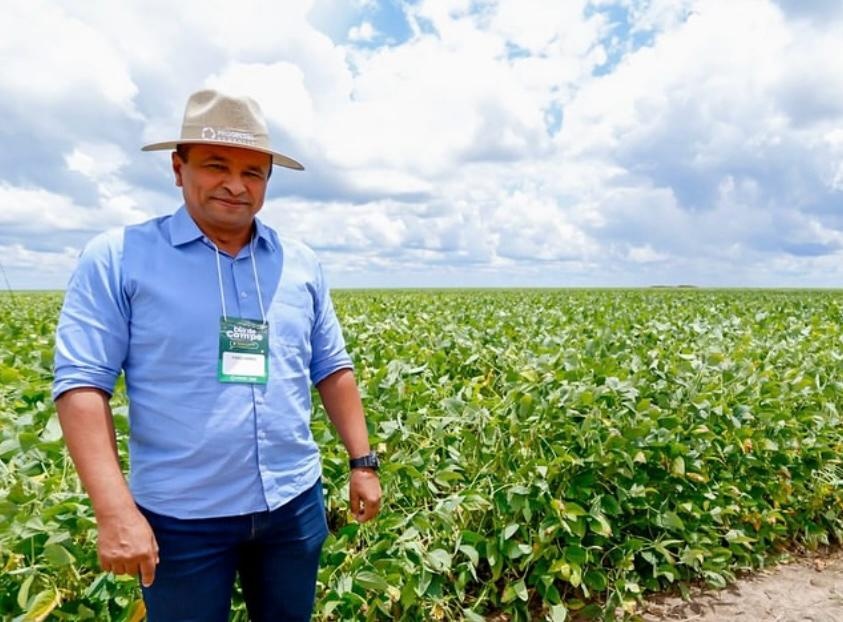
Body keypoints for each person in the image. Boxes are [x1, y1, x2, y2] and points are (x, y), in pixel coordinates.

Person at [52, 89, 382, 621]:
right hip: (181, 518)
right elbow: (82, 387)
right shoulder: (119, 258)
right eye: (216, 165)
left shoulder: (298, 263)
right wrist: (114, 512)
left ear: (268, 180)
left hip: (291, 504)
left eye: (253, 172)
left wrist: (362, 463)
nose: (236, 184)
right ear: (178, 167)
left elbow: (332, 366)